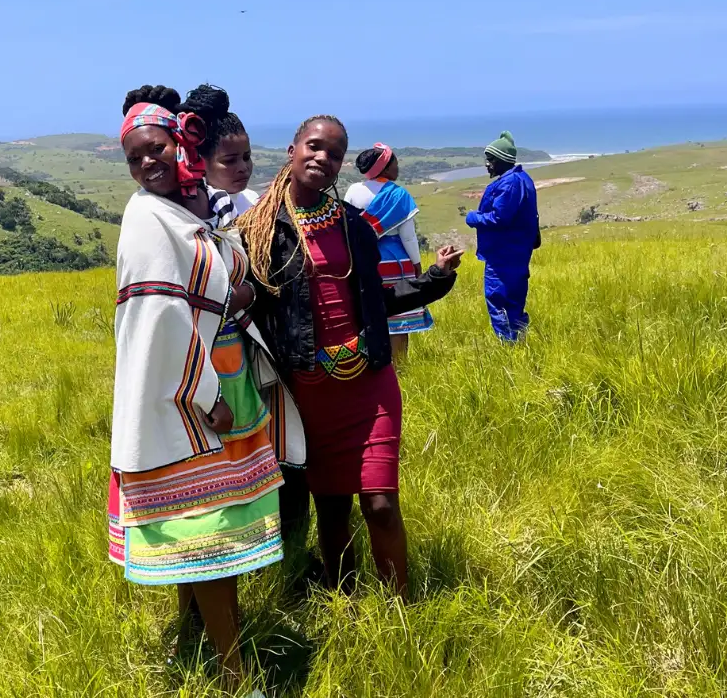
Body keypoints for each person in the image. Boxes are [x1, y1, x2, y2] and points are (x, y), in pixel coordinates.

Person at [108, 84, 305, 689]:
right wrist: (205, 395)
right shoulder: (148, 218)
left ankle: (195, 635)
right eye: (136, 156)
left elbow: (216, 286)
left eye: (157, 149)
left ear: (182, 145)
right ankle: (233, 671)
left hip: (223, 383)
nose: (148, 163)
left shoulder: (188, 207)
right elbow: (159, 323)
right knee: (210, 536)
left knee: (208, 532)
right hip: (192, 397)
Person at [238, 116, 462, 597]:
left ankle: (400, 611)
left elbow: (377, 295)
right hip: (311, 392)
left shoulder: (351, 223)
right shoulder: (260, 230)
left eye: (334, 153)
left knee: (380, 505)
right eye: (315, 147)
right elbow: (253, 304)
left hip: (369, 382)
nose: (323, 158)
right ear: (293, 149)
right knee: (333, 511)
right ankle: (346, 602)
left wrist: (436, 278)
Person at [344, 143, 432, 361]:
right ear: (384, 168)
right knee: (400, 317)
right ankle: (400, 367)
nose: (397, 166)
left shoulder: (354, 191)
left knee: (371, 314)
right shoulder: (399, 195)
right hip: (396, 262)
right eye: (394, 162)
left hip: (366, 262)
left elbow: (346, 227)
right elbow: (408, 236)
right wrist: (417, 264)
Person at [465, 131, 541, 342]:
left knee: (498, 300)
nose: (487, 165)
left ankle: (508, 346)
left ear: (501, 160)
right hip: (516, 252)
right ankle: (520, 341)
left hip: (502, 255)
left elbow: (499, 218)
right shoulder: (522, 179)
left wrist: (473, 218)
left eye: (490, 160)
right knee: (515, 300)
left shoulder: (509, 184)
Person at [199, 103, 260, 220]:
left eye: (247, 157)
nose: (243, 167)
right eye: (230, 161)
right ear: (201, 163)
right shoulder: (202, 214)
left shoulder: (252, 200)